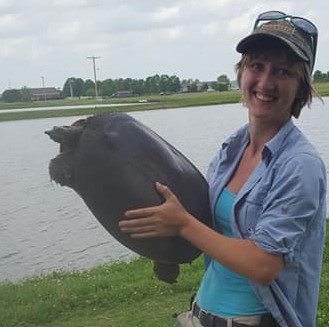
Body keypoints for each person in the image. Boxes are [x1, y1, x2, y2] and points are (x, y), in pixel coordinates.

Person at [119, 10, 327, 327]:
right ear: (240, 73)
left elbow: (263, 266)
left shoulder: (300, 166)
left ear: (300, 87)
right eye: (256, 66)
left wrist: (183, 225)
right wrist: (166, 249)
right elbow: (210, 224)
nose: (265, 82)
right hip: (203, 312)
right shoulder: (232, 148)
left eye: (283, 72)